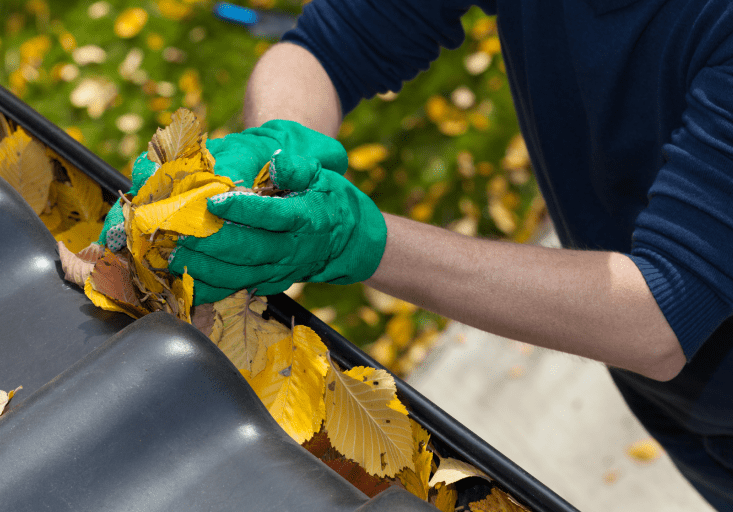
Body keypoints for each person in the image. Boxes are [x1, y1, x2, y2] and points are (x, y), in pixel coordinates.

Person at [104, 0, 733, 507]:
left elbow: (658, 313)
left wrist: (356, 237)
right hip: (674, 399)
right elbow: (326, 46)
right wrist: (278, 143)